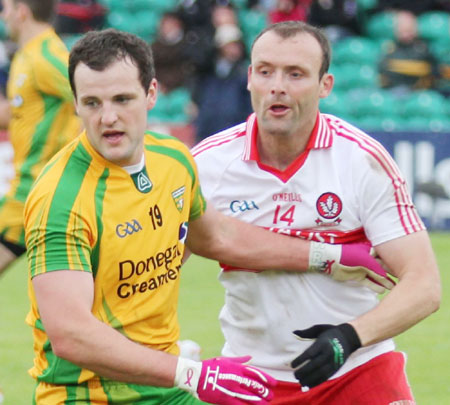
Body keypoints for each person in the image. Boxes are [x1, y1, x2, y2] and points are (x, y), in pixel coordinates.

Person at [23, 28, 393, 404]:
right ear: (75, 103)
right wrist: (193, 373)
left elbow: (219, 238)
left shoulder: (174, 159)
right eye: (92, 103)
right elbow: (69, 333)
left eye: (122, 99)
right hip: (87, 396)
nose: (108, 118)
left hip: (165, 388)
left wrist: (328, 257)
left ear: (151, 93)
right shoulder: (59, 198)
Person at [192, 21, 441, 404]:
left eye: (295, 74)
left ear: (325, 85)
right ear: (249, 79)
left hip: (357, 370)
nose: (277, 86)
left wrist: (350, 337)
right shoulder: (206, 165)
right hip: (250, 380)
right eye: (265, 71)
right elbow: (158, 263)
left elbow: (423, 284)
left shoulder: (362, 160)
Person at [0, 0, 81, 275]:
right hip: (24, 187)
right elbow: (21, 112)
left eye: (6, 8)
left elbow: (90, 98)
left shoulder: (48, 57)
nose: (4, 15)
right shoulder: (26, 55)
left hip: (40, 189)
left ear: (22, 12)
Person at [192, 23, 252, 142]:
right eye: (229, 45)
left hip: (235, 131)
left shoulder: (244, 74)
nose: (234, 50)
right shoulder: (209, 74)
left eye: (236, 45)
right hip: (209, 130)